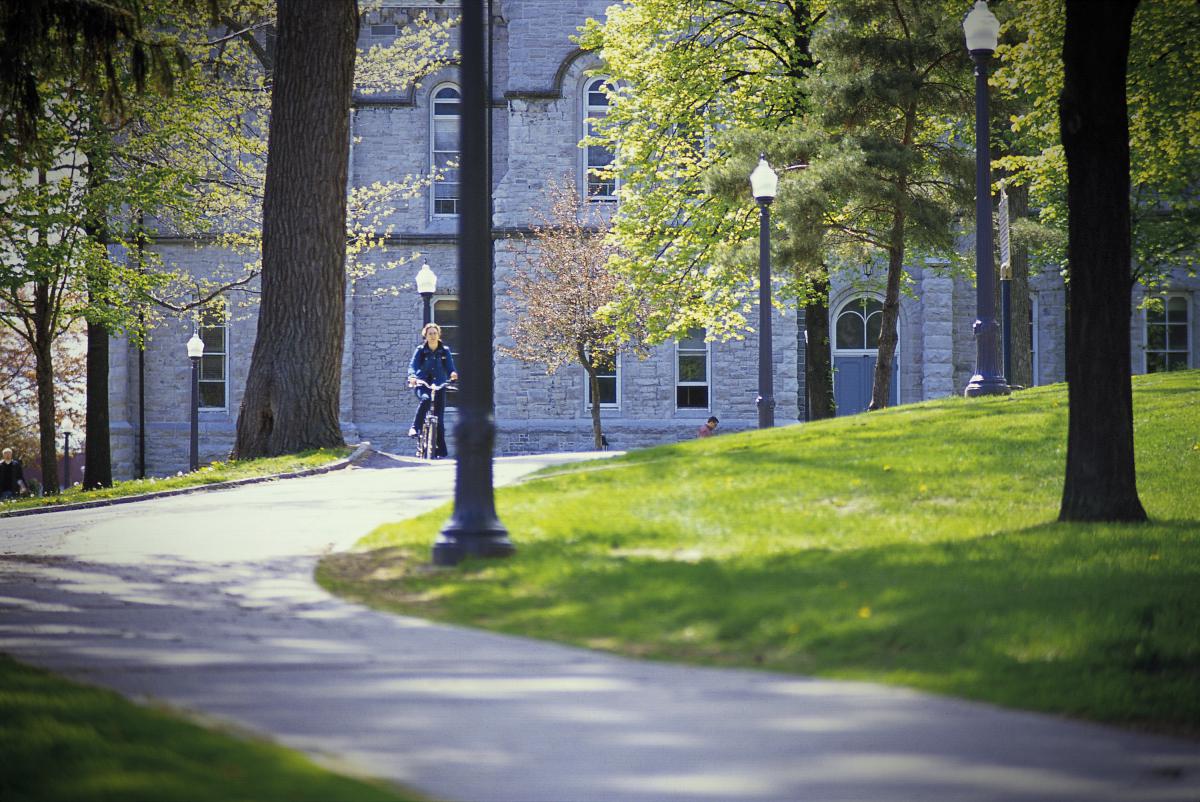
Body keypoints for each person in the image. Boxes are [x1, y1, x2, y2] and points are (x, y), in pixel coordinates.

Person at [407, 322, 458, 458]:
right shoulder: (420, 350)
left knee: (439, 421)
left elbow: (450, 366)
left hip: (439, 385)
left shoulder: (444, 350)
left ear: (438, 334)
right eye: (430, 333)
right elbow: (413, 365)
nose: (433, 336)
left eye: (435, 333)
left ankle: (441, 451)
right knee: (425, 399)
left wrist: (453, 373)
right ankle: (415, 427)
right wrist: (412, 377)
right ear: (425, 335)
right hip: (423, 383)